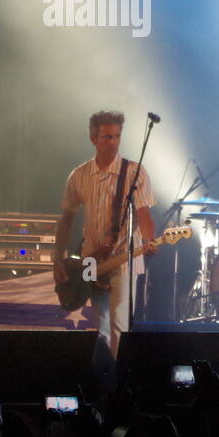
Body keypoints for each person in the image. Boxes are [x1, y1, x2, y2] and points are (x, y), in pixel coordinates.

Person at [54, 110, 156, 357]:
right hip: (91, 259)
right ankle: (102, 379)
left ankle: (118, 385)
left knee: (119, 323)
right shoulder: (79, 175)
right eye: (107, 137)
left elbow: (144, 215)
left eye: (117, 137)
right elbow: (67, 219)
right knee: (100, 325)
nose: (113, 142)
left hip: (124, 257)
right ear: (93, 139)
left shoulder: (134, 172)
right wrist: (58, 257)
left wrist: (150, 240)